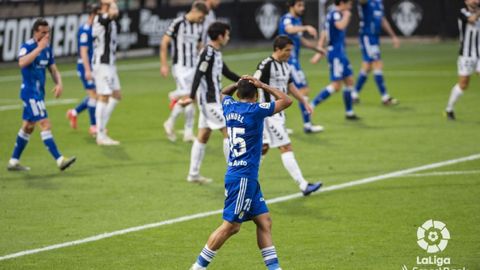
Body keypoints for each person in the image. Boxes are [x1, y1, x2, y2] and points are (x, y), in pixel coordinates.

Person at [189, 76, 292, 270]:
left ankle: (274, 268)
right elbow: (287, 100)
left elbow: (223, 94)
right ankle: (197, 267)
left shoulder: (229, 106)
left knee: (264, 221)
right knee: (231, 226)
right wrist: (262, 85)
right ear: (255, 95)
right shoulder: (256, 110)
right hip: (243, 177)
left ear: (238, 93)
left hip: (243, 176)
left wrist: (238, 84)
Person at [7, 18, 76, 171]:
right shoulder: (27, 46)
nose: (47, 36)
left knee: (28, 127)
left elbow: (53, 69)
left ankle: (13, 161)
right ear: (35, 32)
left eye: (48, 32)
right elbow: (22, 63)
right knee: (45, 124)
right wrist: (38, 48)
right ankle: (60, 160)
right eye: (43, 33)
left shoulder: (47, 49)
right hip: (30, 93)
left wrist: (59, 83)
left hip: (39, 93)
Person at [256, 35, 322, 196]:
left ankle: (243, 180)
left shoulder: (286, 65)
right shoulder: (266, 65)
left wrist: (304, 102)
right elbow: (253, 84)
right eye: (287, 50)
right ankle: (303, 185)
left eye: (291, 50)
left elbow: (290, 86)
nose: (290, 53)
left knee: (263, 149)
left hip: (279, 114)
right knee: (285, 146)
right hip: (268, 113)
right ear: (277, 49)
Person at [180, 22, 240, 183]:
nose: (228, 37)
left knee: (203, 136)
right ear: (220, 36)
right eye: (227, 34)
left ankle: (193, 174)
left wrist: (246, 80)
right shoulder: (207, 52)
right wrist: (191, 97)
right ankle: (235, 175)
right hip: (209, 101)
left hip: (213, 101)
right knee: (228, 130)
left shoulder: (216, 53)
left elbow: (227, 72)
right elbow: (198, 75)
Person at [160, 1, 208, 142]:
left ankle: (184, 130)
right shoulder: (178, 23)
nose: (201, 19)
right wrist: (164, 64)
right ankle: (173, 122)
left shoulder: (198, 27)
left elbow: (200, 46)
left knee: (191, 98)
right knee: (189, 96)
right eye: (201, 16)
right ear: (195, 11)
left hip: (193, 67)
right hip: (180, 67)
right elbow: (164, 42)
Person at [278, 0, 325, 133]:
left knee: (283, 93)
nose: (302, 8)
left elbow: (301, 40)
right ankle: (307, 125)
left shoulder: (297, 20)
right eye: (299, 5)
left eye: (303, 5)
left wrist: (317, 49)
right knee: (303, 90)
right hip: (289, 62)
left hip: (292, 62)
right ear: (291, 6)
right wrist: (306, 27)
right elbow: (289, 29)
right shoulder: (287, 19)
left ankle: (279, 125)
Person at [310, 0, 359, 120]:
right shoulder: (336, 14)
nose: (351, 6)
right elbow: (340, 26)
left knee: (349, 81)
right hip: (336, 54)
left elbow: (324, 33)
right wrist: (347, 15)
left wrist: (319, 51)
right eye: (349, 3)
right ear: (342, 2)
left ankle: (349, 112)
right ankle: (311, 105)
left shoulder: (332, 14)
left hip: (341, 53)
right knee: (336, 86)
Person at [351, 0, 399, 105]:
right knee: (377, 63)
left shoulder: (379, 2)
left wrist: (393, 36)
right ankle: (385, 97)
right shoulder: (366, 2)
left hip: (374, 38)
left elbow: (382, 19)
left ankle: (353, 94)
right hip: (367, 36)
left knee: (367, 67)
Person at [67, 4, 100, 136]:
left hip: (95, 66)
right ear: (92, 15)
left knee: (96, 95)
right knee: (94, 96)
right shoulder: (85, 30)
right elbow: (83, 51)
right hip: (85, 66)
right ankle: (94, 126)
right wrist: (87, 70)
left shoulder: (95, 28)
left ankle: (73, 113)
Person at [92, 0, 121, 145]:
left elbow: (114, 14)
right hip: (102, 64)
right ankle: (100, 134)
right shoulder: (101, 18)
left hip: (110, 64)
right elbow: (114, 13)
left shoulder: (108, 19)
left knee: (116, 96)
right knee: (103, 97)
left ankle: (101, 128)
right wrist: (110, 3)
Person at [445, 0, 480, 120]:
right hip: (466, 55)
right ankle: (449, 108)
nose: (475, 1)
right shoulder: (462, 12)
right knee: (463, 84)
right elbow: (472, 20)